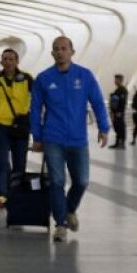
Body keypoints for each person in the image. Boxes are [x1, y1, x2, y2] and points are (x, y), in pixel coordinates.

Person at [31, 36, 109, 243]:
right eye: (56, 49)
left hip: (78, 139)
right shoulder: (44, 78)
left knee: (81, 181)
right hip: (53, 138)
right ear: (52, 53)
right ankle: (61, 225)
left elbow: (98, 103)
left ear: (72, 52)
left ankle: (70, 209)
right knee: (57, 181)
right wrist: (37, 136)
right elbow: (35, 109)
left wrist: (104, 127)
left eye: (64, 48)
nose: (60, 52)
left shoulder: (85, 76)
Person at [0, 48, 32, 203]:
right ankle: (2, 194)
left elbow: (37, 101)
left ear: (17, 61)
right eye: (5, 59)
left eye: (11, 59)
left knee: (20, 163)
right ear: (1, 61)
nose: (8, 62)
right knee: (3, 162)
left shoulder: (27, 79)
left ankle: (16, 194)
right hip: (1, 126)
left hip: (21, 126)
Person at [108, 74, 128, 149]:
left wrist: (119, 112)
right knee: (117, 127)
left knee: (120, 127)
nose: (115, 81)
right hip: (115, 112)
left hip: (119, 113)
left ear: (121, 80)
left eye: (116, 79)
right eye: (115, 79)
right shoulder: (117, 90)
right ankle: (117, 143)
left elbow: (122, 103)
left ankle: (121, 143)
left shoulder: (122, 90)